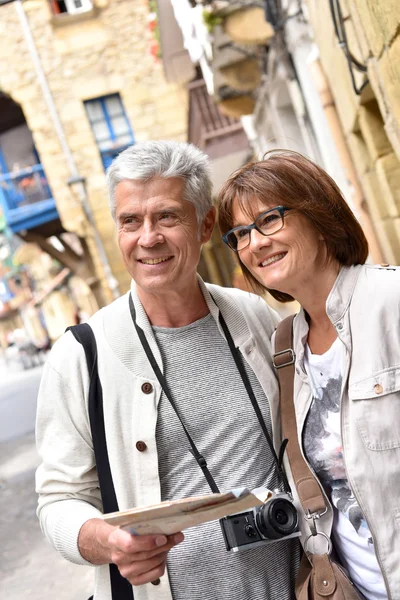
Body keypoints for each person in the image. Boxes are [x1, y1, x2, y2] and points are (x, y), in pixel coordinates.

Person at [35, 141, 299, 600]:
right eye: (130, 221)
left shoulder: (255, 316)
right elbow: (57, 502)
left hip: (294, 587)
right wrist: (107, 542)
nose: (148, 237)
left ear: (205, 225)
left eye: (167, 217)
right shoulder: (81, 355)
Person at [217, 150, 400, 600]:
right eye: (239, 233)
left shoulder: (390, 301)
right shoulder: (285, 345)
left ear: (320, 219)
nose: (254, 243)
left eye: (269, 220)